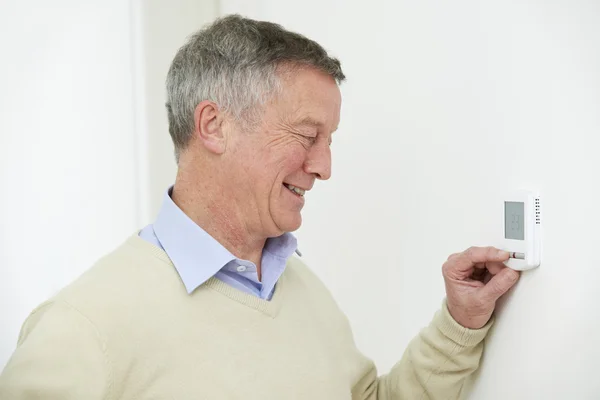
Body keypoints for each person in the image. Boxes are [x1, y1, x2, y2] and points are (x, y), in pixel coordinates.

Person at [0, 14, 520, 399]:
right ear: (213, 126)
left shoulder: (303, 291)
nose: (324, 166)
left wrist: (460, 321)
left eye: (330, 140)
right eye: (307, 135)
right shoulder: (82, 328)